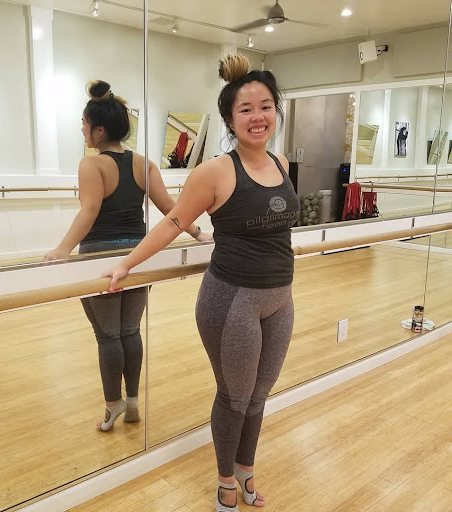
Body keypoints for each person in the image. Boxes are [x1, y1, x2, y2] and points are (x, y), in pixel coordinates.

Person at [102, 54, 299, 511]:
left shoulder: (282, 162)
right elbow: (172, 222)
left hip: (281, 299)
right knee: (235, 396)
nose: (258, 117)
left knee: (259, 395)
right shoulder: (214, 171)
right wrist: (126, 264)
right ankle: (226, 480)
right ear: (230, 119)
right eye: (246, 109)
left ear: (276, 111)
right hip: (233, 302)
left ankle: (247, 469)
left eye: (266, 106)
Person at [45, 80, 211, 432]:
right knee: (130, 331)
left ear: (99, 130)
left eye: (84, 124)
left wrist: (63, 249)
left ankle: (113, 405)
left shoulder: (91, 165)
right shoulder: (144, 164)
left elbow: (90, 210)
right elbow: (171, 209)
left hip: (101, 258)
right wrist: (199, 233)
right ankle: (133, 400)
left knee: (108, 336)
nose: (82, 129)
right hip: (137, 255)